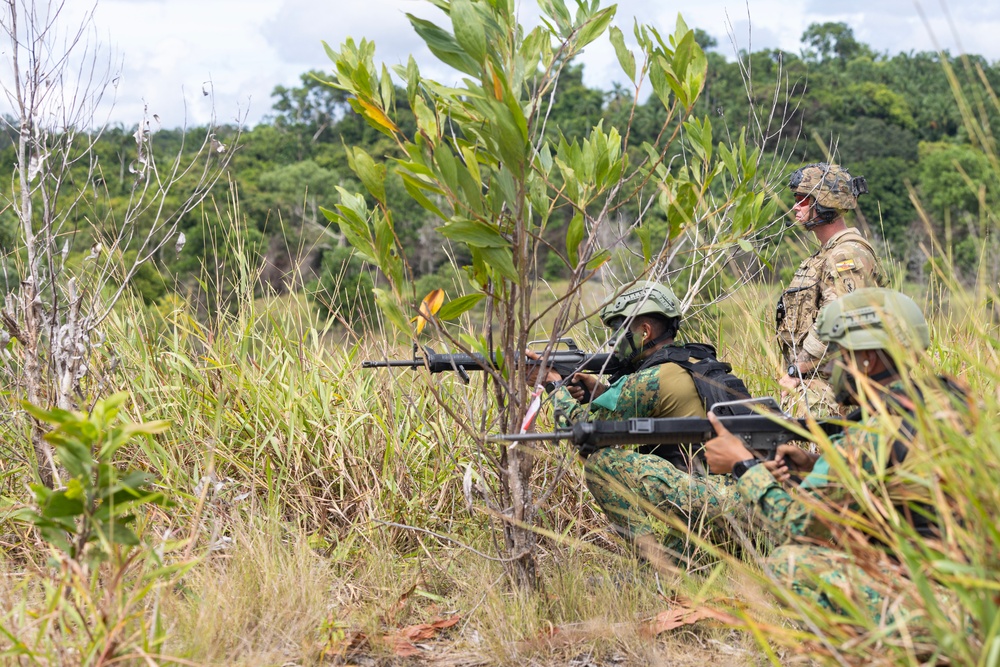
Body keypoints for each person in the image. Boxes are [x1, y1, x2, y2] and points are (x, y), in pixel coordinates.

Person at [706, 288, 968, 624]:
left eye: (840, 356)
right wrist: (814, 463)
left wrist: (743, 465)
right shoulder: (938, 404)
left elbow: (798, 526)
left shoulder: (873, 431)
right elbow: (890, 477)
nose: (831, 369)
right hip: (968, 583)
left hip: (939, 606)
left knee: (791, 564)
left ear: (866, 360)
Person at [530, 280, 755, 560]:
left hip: (721, 505)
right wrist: (600, 392)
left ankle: (654, 564)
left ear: (645, 331)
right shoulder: (692, 363)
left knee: (602, 464)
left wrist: (552, 384)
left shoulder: (653, 378)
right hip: (748, 502)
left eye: (618, 330)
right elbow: (647, 405)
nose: (612, 341)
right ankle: (669, 571)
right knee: (684, 572)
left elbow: (580, 430)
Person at [776, 163, 887, 416]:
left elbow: (837, 317)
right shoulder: (827, 254)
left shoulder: (847, 254)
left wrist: (798, 369)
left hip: (837, 391)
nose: (796, 207)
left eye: (803, 200)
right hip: (823, 383)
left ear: (824, 202)